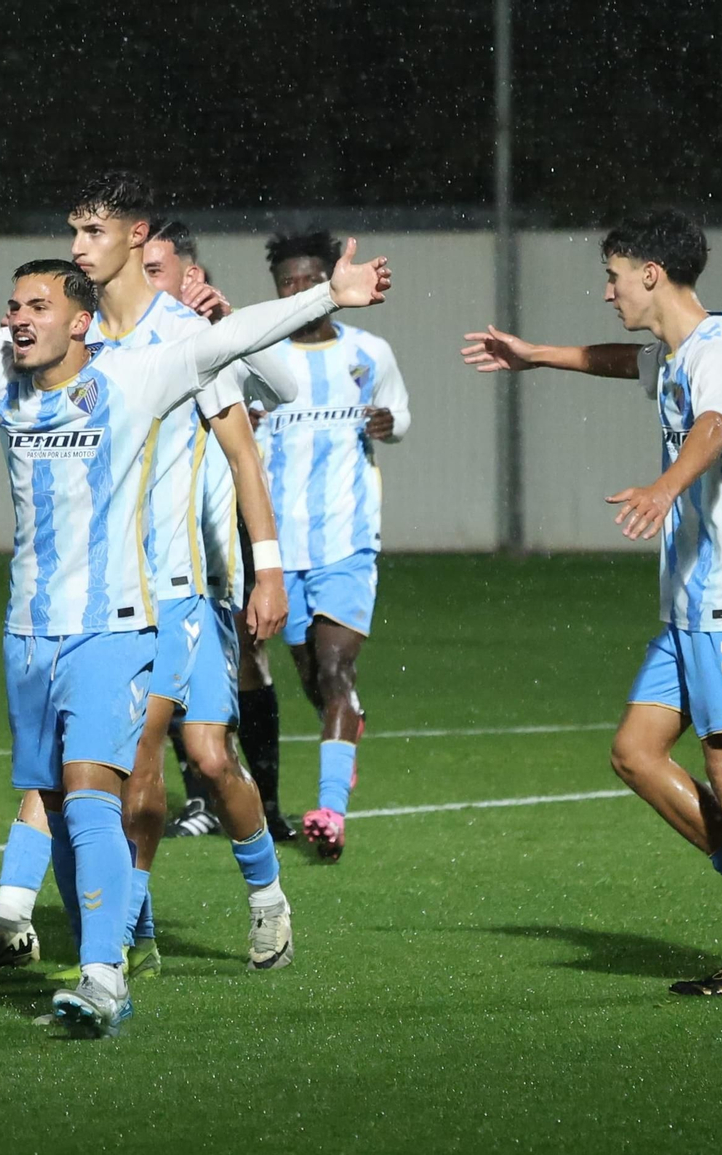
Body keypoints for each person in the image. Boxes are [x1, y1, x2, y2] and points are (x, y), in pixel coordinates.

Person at [0, 214, 390, 1036]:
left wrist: (326, 294)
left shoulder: (137, 376)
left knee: (100, 792)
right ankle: (117, 939)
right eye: (12, 305)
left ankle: (104, 977)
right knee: (58, 802)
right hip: (30, 637)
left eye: (37, 304)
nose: (18, 317)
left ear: (78, 319)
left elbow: (231, 338)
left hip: (118, 627)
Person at [459, 209, 722, 996]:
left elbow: (715, 428)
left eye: (614, 274)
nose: (607, 288)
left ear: (652, 273)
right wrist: (536, 355)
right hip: (690, 602)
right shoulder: (681, 354)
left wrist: (664, 485)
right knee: (635, 752)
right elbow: (627, 363)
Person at [255, 230, 410, 863]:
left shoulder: (369, 352)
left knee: (336, 670)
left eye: (306, 280)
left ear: (329, 283)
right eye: (285, 283)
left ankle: (328, 811)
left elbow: (398, 417)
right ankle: (346, 728)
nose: (297, 292)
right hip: (279, 550)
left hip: (348, 539)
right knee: (313, 679)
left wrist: (387, 423)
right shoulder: (259, 359)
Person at [144, 220, 292, 843]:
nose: (140, 283)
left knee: (247, 666)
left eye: (155, 270)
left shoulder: (211, 343)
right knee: (141, 714)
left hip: (212, 551)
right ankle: (197, 806)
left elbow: (284, 387)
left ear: (191, 277)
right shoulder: (119, 341)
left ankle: (264, 803)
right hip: (135, 558)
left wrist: (229, 322)